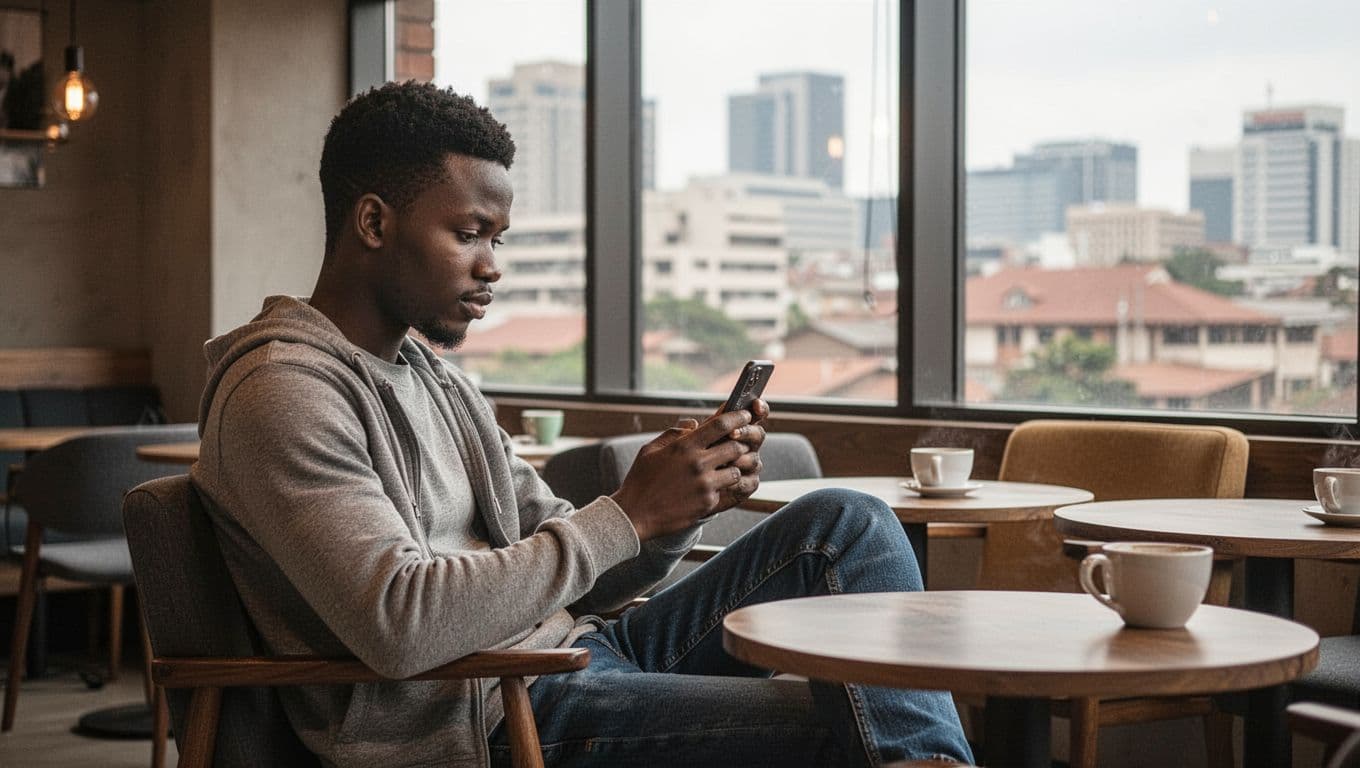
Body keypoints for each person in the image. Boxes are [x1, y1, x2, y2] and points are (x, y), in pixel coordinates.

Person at [191, 80, 972, 768]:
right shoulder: (281, 392)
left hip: (577, 656)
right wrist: (626, 515)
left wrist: (666, 513)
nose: (492, 264)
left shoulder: (437, 380)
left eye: (497, 240)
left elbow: (573, 552)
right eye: (468, 234)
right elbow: (400, 621)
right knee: (861, 724)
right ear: (372, 222)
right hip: (492, 717)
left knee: (847, 524)